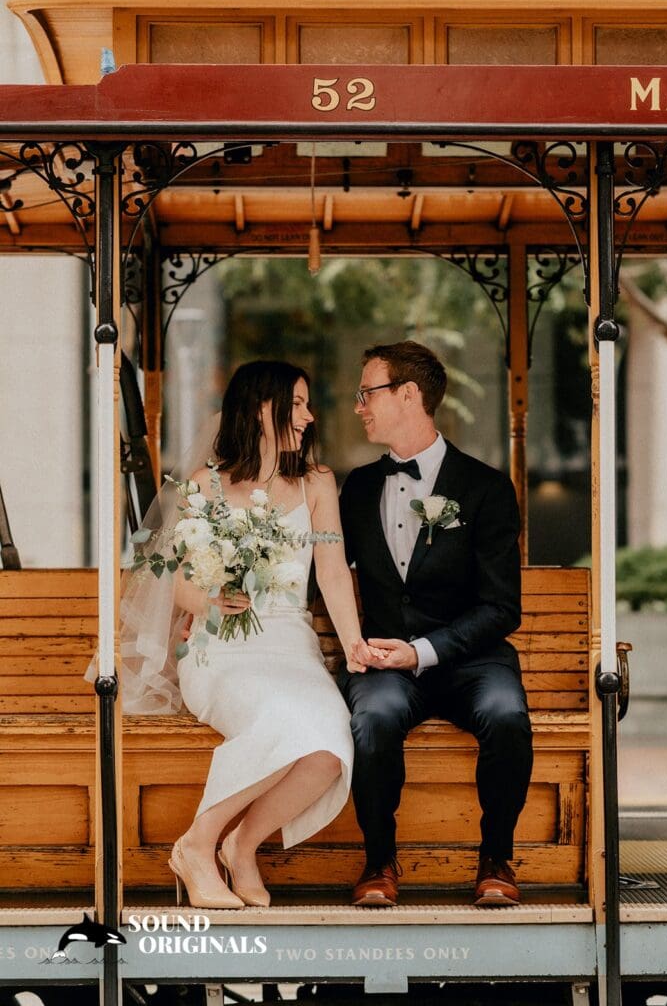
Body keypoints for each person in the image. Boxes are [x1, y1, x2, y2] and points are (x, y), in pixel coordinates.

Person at [117, 360, 378, 909]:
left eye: (308, 404)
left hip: (291, 646)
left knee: (330, 745)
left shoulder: (317, 484)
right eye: (298, 403)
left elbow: (331, 569)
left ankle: (241, 845)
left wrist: (353, 642)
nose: (309, 416)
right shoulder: (201, 487)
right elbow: (177, 583)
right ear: (263, 408)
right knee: (282, 719)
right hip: (219, 646)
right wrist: (210, 600)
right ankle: (196, 846)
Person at [338, 340, 533, 909]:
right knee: (371, 719)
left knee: (507, 715)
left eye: (367, 393)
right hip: (383, 662)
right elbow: (320, 573)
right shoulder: (358, 487)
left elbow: (502, 607)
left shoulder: (486, 488)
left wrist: (421, 650)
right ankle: (379, 861)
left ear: (408, 394)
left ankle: (496, 857)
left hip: (472, 658)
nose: (359, 406)